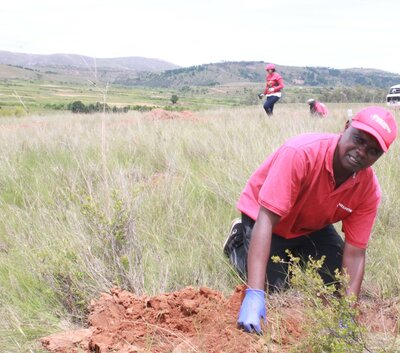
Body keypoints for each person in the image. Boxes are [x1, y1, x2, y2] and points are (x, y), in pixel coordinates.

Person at [223, 106, 397, 333]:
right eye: (358, 139)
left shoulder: (368, 191)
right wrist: (255, 293)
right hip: (266, 218)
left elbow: (355, 254)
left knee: (336, 283)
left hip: (311, 225)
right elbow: (266, 219)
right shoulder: (301, 153)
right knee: (273, 286)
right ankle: (238, 242)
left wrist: (348, 311)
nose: (361, 152)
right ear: (346, 127)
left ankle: (292, 254)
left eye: (373, 151)